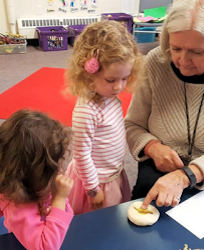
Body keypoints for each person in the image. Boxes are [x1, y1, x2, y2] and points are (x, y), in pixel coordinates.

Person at [125, 0, 204, 209]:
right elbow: (132, 125)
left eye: (197, 52)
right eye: (176, 48)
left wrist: (186, 175)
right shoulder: (155, 62)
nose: (182, 60)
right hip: (159, 167)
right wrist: (152, 147)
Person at [65, 20, 142, 214]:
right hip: (94, 182)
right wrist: (92, 190)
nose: (119, 87)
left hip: (112, 174)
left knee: (113, 218)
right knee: (92, 223)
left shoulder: (110, 97)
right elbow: (81, 154)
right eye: (111, 80)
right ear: (88, 73)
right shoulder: (86, 111)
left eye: (124, 78)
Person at [0, 109, 74, 250]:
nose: (60, 169)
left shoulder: (16, 179)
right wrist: (60, 198)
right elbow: (46, 247)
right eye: (54, 166)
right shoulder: (20, 209)